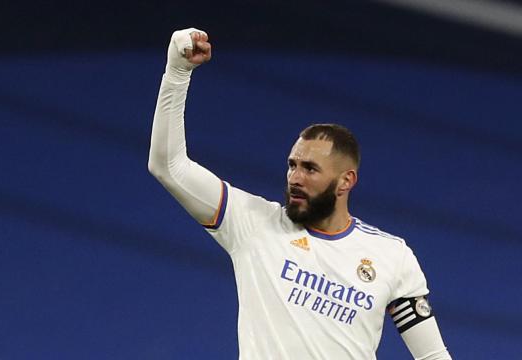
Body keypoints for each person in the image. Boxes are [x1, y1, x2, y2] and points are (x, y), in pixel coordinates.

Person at [148, 28, 452, 360]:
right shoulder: (251, 223)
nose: (295, 177)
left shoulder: (393, 257)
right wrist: (177, 73)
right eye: (292, 165)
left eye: (310, 169)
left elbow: (432, 356)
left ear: (345, 181)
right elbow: (169, 166)